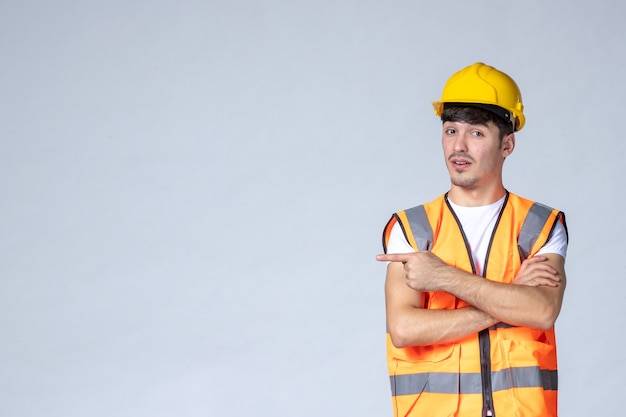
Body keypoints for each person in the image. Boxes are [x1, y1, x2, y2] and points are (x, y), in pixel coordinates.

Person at [376, 62, 568, 417]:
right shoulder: (413, 228)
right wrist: (510, 297)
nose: (458, 146)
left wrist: (443, 278)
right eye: (450, 131)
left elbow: (541, 311)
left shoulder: (538, 225)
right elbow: (403, 328)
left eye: (477, 133)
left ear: (507, 144)